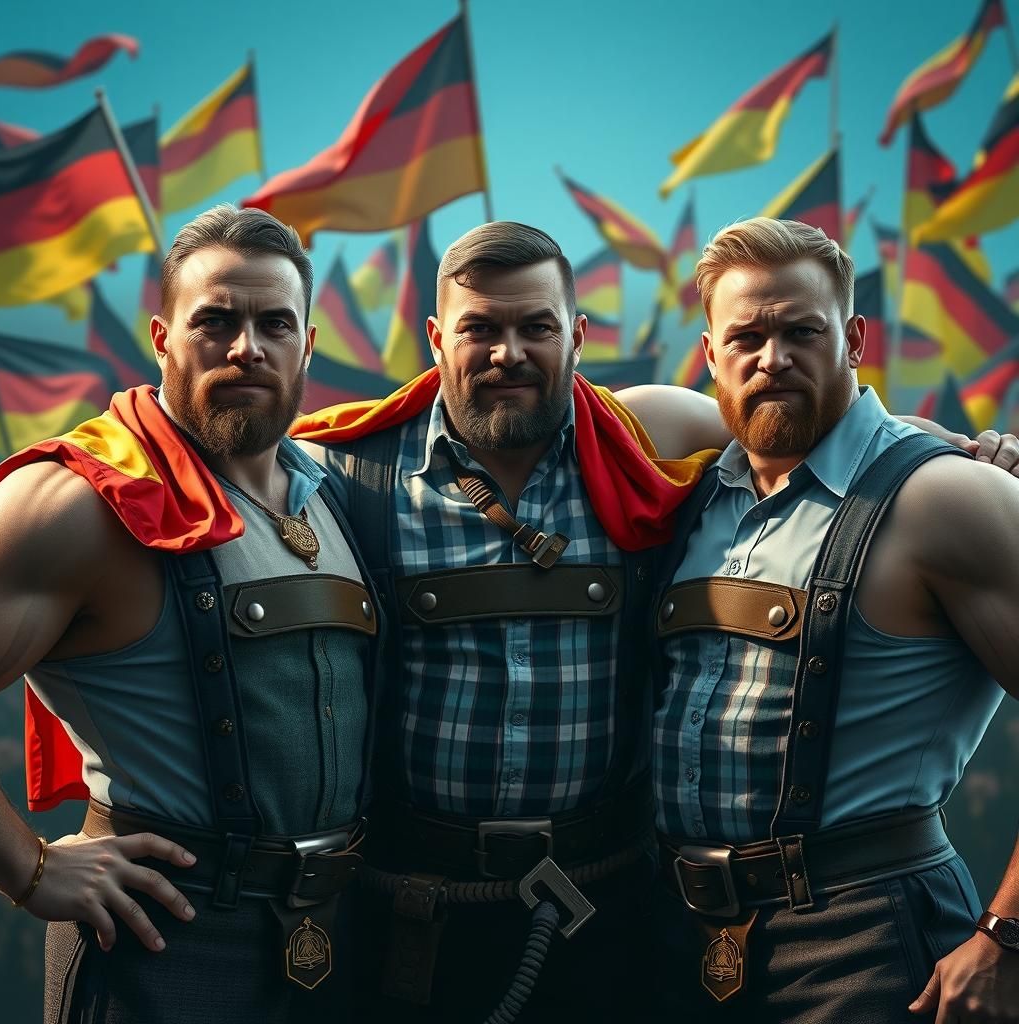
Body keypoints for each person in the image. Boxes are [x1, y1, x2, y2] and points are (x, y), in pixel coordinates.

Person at [288, 220, 1011, 1022]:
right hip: (608, 935)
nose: (508, 353)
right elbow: (210, 497)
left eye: (536, 327)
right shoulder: (355, 471)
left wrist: (1006, 936)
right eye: (480, 329)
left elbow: (845, 438)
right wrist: (112, 837)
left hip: (804, 931)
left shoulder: (654, 443)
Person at [0, 204, 381, 1024]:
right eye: (216, 321)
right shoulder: (76, 503)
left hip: (333, 945)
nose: (247, 347)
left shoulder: (335, 492)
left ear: (307, 344)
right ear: (163, 338)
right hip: (160, 947)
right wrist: (28, 870)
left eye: (275, 323)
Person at [647, 217, 1019, 1023]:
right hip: (678, 941)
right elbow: (523, 394)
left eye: (800, 332)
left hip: (871, 944)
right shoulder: (692, 485)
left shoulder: (948, 496)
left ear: (852, 338)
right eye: (744, 336)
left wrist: (1008, 934)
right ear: (708, 356)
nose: (771, 357)